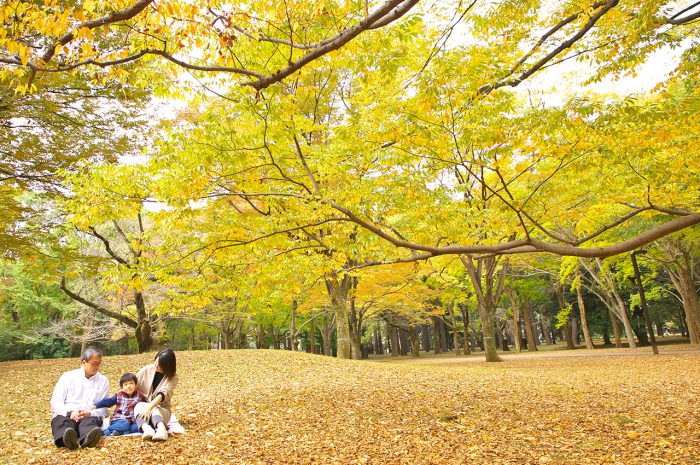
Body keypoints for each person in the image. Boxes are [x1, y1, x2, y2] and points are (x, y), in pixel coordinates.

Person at [50, 346, 109, 449]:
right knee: (62, 422)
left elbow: (103, 407)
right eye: (93, 363)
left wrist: (89, 412)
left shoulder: (103, 380)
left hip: (89, 415)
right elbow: (56, 401)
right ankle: (66, 439)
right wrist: (70, 413)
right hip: (67, 413)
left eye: (99, 363)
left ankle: (88, 439)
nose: (97, 366)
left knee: (90, 423)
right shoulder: (68, 377)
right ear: (83, 362)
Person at [134, 348, 178, 441]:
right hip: (143, 408)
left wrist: (149, 408)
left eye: (160, 365)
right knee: (138, 406)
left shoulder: (173, 377)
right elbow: (132, 385)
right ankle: (147, 429)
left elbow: (163, 394)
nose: (156, 366)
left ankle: (161, 430)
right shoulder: (146, 370)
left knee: (155, 410)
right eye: (156, 362)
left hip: (162, 409)